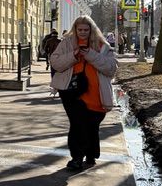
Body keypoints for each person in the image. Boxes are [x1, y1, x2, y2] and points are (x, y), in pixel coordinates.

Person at [48, 15, 118, 171]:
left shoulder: (102, 46)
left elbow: (111, 69)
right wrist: (73, 55)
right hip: (71, 92)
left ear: (92, 29)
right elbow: (56, 63)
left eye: (86, 30)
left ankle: (91, 154)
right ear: (75, 29)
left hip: (96, 93)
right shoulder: (67, 43)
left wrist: (90, 54)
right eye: (79, 29)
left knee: (92, 125)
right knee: (77, 125)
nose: (83, 32)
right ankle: (77, 158)